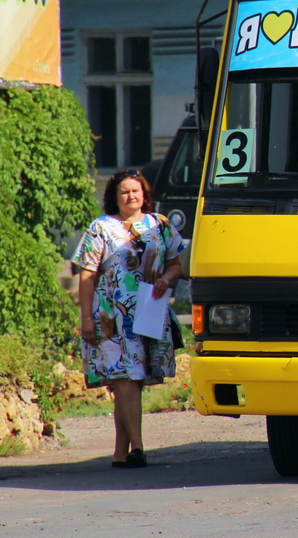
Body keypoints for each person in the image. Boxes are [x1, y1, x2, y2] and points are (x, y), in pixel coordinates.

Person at [73, 169, 187, 469]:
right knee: (125, 378)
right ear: (115, 196)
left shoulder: (159, 225)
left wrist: (165, 278)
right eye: (124, 192)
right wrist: (86, 317)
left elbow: (177, 264)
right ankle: (138, 447)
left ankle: (120, 451)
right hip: (111, 318)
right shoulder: (100, 228)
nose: (130, 196)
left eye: (135, 191)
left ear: (144, 194)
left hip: (148, 312)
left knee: (132, 382)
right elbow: (87, 274)